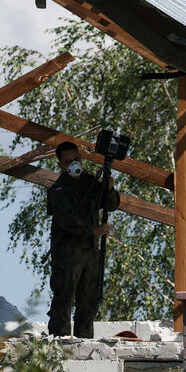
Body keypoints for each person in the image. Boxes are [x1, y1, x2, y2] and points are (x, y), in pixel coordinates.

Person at [46, 141, 119, 339]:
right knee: (64, 298)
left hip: (89, 253)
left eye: (76, 159)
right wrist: (94, 230)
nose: (74, 164)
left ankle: (85, 341)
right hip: (67, 255)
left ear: (82, 158)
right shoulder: (58, 190)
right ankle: (59, 342)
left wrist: (109, 189)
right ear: (61, 164)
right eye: (68, 161)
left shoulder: (89, 182)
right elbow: (66, 221)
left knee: (89, 300)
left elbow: (110, 205)